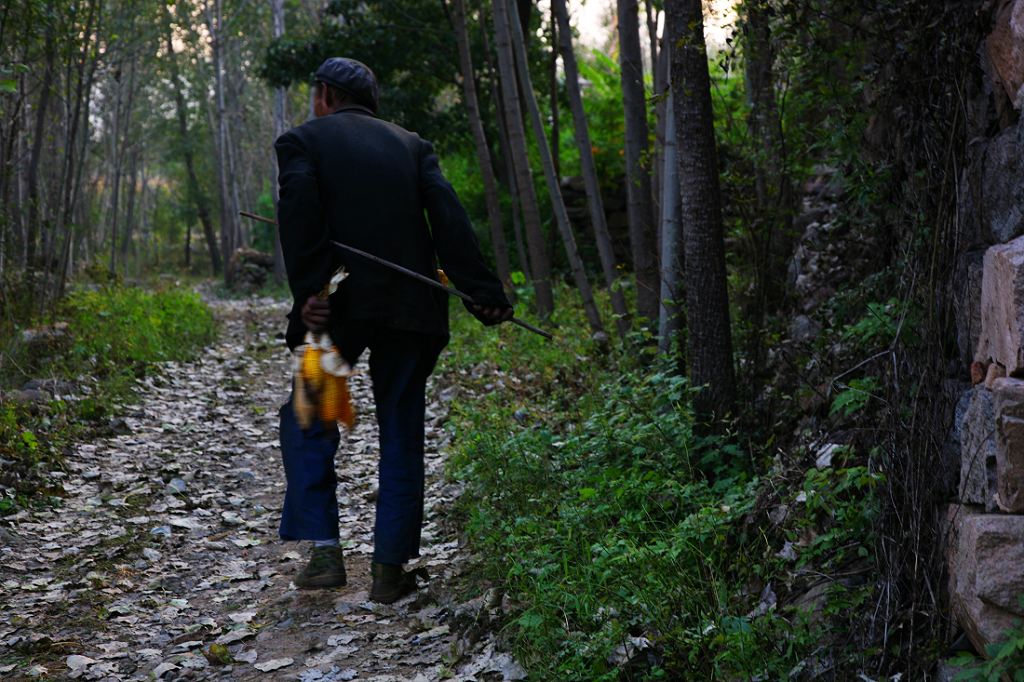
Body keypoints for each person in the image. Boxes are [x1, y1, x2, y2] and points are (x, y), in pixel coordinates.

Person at [274, 57, 513, 603]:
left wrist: (311, 292)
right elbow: (448, 218)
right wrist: (484, 294)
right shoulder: (412, 146)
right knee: (401, 429)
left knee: (312, 417)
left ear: (327, 96)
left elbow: (300, 213)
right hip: (411, 311)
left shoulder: (303, 141)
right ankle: (388, 571)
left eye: (315, 93)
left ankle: (327, 553)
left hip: (334, 313)